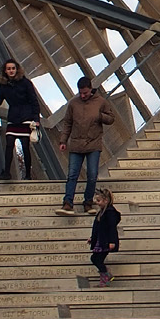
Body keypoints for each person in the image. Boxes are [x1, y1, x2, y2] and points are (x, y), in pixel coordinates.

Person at [56, 75, 116, 215]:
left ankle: (88, 203)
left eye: (85, 93)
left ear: (91, 89)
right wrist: (63, 141)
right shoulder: (73, 104)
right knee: (72, 175)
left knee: (92, 174)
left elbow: (111, 118)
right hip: (76, 144)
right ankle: (67, 203)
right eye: (80, 93)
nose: (82, 96)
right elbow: (68, 123)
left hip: (93, 144)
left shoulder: (101, 102)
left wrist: (100, 116)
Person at [0, 59, 41, 181]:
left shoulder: (26, 83)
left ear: (17, 69)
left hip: (26, 117)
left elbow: (34, 101)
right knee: (9, 144)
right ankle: (7, 172)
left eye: (13, 68)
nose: (11, 71)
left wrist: (36, 118)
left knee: (25, 145)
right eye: (9, 69)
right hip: (13, 117)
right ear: (5, 71)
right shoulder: (4, 86)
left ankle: (28, 175)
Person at [88, 188, 121, 287]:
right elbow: (98, 227)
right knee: (95, 258)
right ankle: (106, 275)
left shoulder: (109, 212)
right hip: (101, 239)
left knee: (96, 258)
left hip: (106, 241)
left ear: (105, 200)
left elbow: (111, 228)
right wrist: (92, 238)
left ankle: (106, 276)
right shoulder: (102, 212)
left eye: (99, 201)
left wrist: (112, 241)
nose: (97, 203)